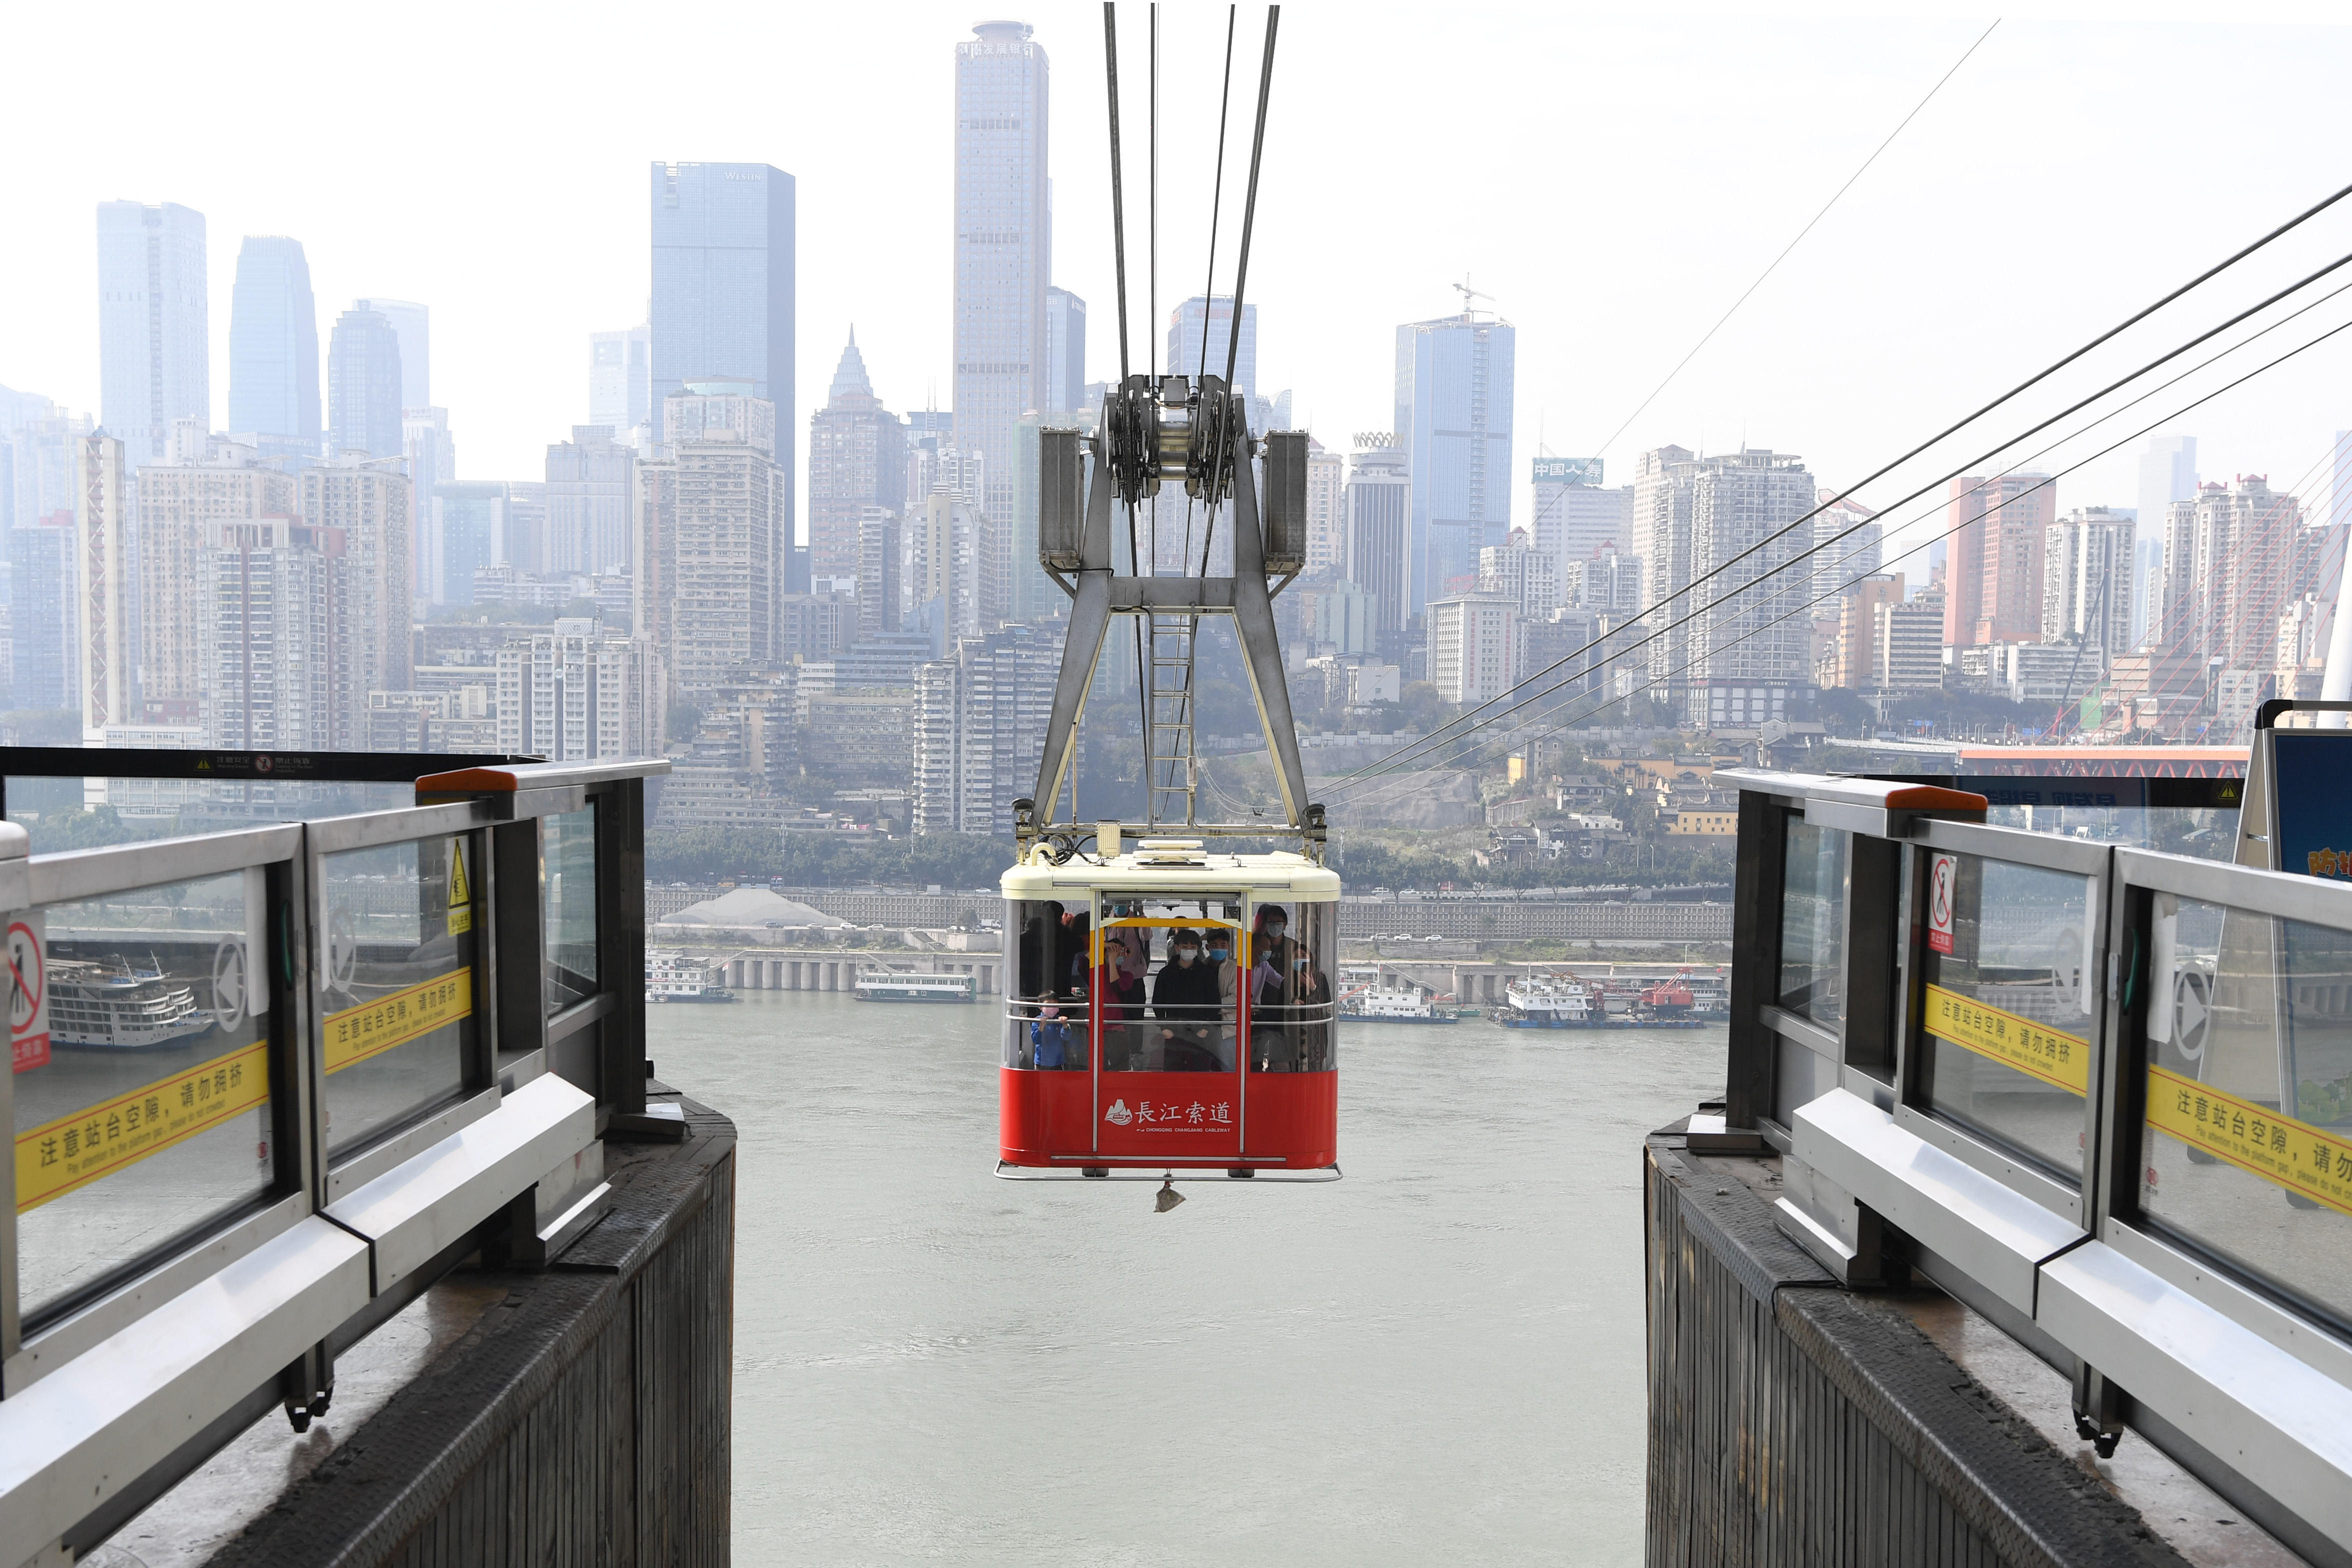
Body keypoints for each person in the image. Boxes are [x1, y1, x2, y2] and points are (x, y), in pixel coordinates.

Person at [1151, 928, 1226, 1071]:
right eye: (1185, 947)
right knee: (1173, 1073)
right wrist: (1164, 1027)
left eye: (1193, 947)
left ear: (1198, 949)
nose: (1189, 950)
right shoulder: (1166, 973)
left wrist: (1206, 1027)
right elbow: (1157, 1002)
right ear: (1178, 948)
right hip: (1174, 1031)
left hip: (1200, 1033)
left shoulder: (1205, 973)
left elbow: (1215, 1002)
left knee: (1200, 1072)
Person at [1102, 946, 1150, 1070]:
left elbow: (1116, 987)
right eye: (1113, 951)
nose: (1118, 955)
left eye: (1120, 952)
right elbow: (1082, 965)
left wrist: (1112, 961)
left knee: (1119, 1067)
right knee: (1099, 1067)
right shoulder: (1097, 973)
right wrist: (1105, 945)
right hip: (1098, 1027)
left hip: (1118, 1029)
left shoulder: (1127, 976)